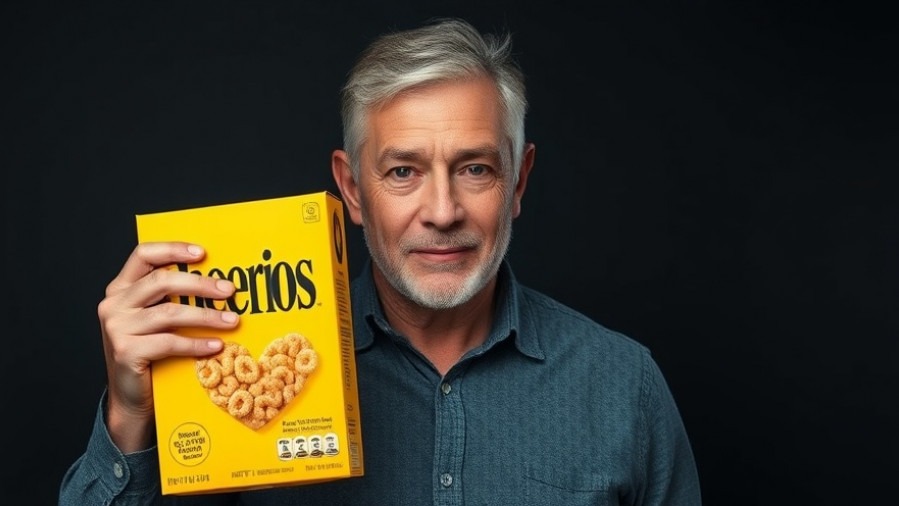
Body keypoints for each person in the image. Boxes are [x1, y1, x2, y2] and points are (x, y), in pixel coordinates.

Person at [59, 17, 701, 505]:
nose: (442, 210)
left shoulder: (623, 387)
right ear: (353, 190)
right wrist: (131, 416)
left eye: (475, 168)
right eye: (403, 171)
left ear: (518, 183)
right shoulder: (210, 372)